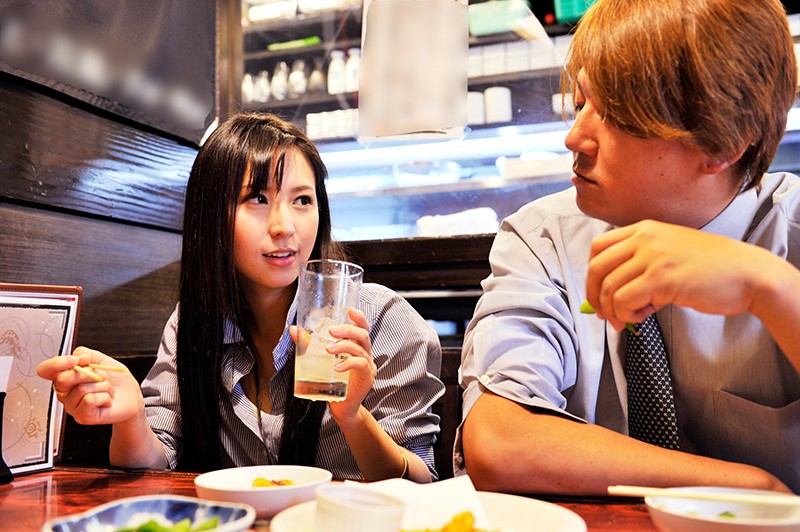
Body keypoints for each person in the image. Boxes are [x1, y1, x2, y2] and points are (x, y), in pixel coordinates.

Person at [457, 0, 800, 495]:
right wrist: (749, 486)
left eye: (617, 114)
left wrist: (769, 288)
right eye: (580, 104)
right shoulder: (544, 237)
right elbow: (499, 442)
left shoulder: (791, 234)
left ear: (723, 143)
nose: (574, 137)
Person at [37, 112, 444, 482]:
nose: (285, 226)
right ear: (211, 215)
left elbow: (421, 482)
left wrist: (352, 417)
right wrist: (130, 419)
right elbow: (157, 463)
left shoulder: (379, 319)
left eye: (302, 200)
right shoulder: (193, 325)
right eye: (257, 198)